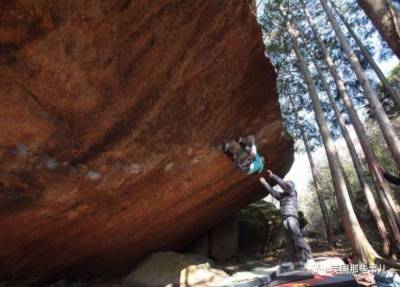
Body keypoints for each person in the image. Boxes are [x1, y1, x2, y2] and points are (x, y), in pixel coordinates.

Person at [259, 170, 313, 266]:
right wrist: (265, 184)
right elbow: (273, 192)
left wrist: (273, 176)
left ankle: (308, 258)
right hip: (285, 219)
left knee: (297, 237)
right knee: (289, 240)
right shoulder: (282, 196)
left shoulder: (292, 193)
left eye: (286, 185)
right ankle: (293, 259)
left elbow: (284, 184)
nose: (284, 186)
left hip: (292, 218)